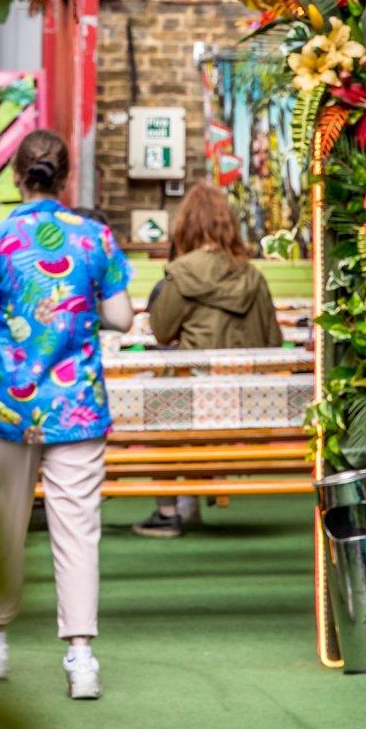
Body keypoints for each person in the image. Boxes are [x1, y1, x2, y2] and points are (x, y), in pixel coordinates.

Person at [0, 130, 134, 700]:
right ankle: (81, 660)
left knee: (5, 521)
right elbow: (120, 317)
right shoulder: (95, 238)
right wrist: (76, 313)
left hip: (10, 405)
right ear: (66, 177)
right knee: (78, 530)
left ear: (17, 175)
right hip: (78, 409)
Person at [131, 181, 282, 540]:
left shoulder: (182, 273)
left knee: (159, 403)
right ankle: (191, 499)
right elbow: (272, 340)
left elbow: (162, 332)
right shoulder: (253, 276)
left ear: (186, 227)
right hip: (245, 401)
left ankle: (168, 511)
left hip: (193, 397)